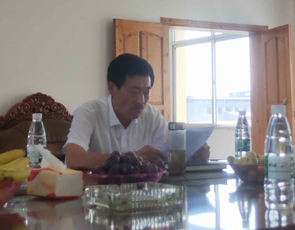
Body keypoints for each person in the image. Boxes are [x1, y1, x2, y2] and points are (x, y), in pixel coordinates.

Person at [65, 53, 209, 170]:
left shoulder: (151, 116)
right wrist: (130, 158)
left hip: (142, 193)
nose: (141, 100)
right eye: (134, 92)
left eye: (146, 92)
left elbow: (168, 153)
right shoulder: (90, 112)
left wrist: (193, 155)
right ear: (111, 87)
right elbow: (74, 159)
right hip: (98, 192)